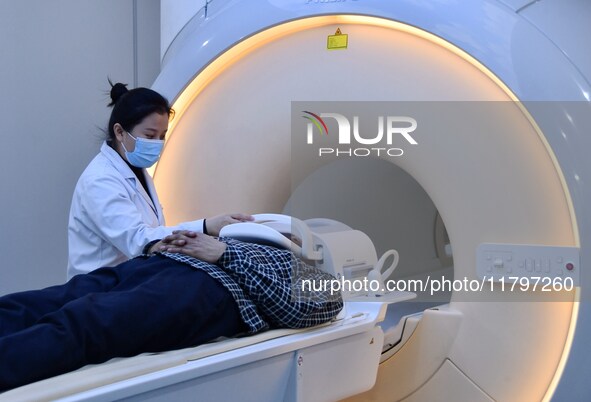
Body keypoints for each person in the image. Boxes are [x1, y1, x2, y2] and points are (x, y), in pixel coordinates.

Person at [0, 232, 343, 391]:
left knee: (88, 319)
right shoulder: (231, 237)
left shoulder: (303, 268)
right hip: (157, 263)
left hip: (214, 287)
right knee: (47, 300)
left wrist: (226, 254)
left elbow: (300, 309)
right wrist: (172, 243)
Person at [68, 81, 252, 278]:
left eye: (162, 136)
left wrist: (210, 227)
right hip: (97, 290)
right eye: (149, 135)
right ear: (120, 132)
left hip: (130, 280)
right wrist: (206, 226)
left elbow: (153, 232)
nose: (157, 144)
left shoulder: (136, 169)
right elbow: (139, 240)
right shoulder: (100, 180)